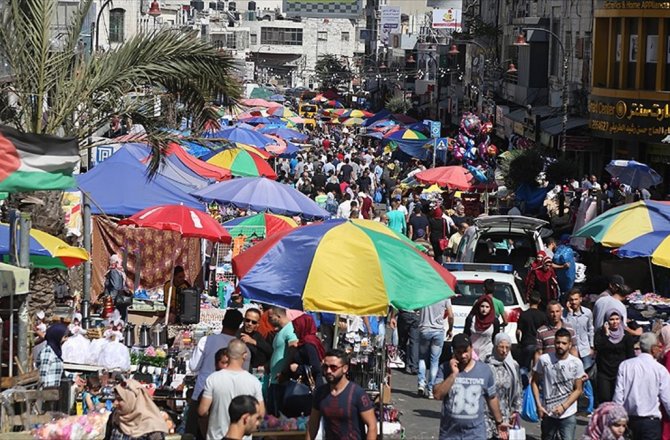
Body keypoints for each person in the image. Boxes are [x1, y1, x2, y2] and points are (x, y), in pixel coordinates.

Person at [433, 334, 509, 440]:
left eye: (466, 351)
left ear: (471, 349)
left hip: (475, 433)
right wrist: (453, 374)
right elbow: (437, 395)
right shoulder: (445, 368)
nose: (463, 355)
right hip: (450, 433)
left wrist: (499, 422)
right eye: (459, 352)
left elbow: (491, 397)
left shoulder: (484, 370)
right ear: (453, 352)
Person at [188, 310, 249, 439]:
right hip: (231, 397)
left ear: (222, 322)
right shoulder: (244, 349)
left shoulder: (206, 341)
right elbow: (245, 372)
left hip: (202, 392)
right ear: (239, 326)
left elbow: (193, 366)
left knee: (194, 433)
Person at [199, 340, 264, 440]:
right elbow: (261, 412)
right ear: (245, 355)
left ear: (228, 355)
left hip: (216, 436)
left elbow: (202, 410)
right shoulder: (254, 382)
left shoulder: (213, 379)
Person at [306, 349, 377, 440]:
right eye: (325, 367)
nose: (328, 371)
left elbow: (372, 426)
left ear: (345, 368)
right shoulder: (320, 393)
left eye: (333, 367)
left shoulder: (357, 393)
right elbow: (313, 424)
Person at [613, 332, 670, 440]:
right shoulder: (660, 370)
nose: (660, 349)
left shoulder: (625, 366)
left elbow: (618, 396)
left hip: (629, 421)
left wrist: (616, 420)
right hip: (651, 424)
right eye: (658, 346)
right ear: (653, 349)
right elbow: (667, 399)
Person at [532, 328, 585, 440]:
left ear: (569, 345)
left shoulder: (576, 363)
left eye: (564, 343)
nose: (560, 346)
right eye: (558, 342)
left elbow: (578, 389)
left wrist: (564, 406)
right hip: (548, 412)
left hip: (568, 413)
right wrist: (539, 405)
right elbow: (534, 382)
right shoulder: (544, 359)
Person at [593, 310, 635, 404]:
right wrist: (606, 334)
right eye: (611, 319)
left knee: (618, 399)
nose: (615, 322)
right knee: (605, 397)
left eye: (617, 319)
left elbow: (630, 355)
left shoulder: (626, 335)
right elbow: (598, 348)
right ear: (606, 321)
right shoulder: (600, 333)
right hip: (604, 371)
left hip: (620, 372)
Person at [485, 333, 522, 440]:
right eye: (501, 347)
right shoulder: (487, 365)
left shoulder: (513, 366)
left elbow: (518, 389)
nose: (504, 351)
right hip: (487, 415)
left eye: (507, 347)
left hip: (505, 414)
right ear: (495, 346)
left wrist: (516, 410)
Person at [104, 379, 168, 440]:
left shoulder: (152, 427)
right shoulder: (115, 416)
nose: (115, 403)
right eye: (115, 399)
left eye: (120, 399)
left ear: (132, 399)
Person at [417, 298, 452, 399]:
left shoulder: (424, 293)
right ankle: (431, 389)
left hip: (424, 329)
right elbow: (450, 315)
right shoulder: (445, 296)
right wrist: (450, 329)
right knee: (434, 360)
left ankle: (421, 383)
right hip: (438, 331)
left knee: (422, 358)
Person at [267, 306, 298, 416]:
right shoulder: (281, 331)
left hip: (281, 380)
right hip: (275, 379)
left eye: (271, 317)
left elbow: (294, 347)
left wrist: (284, 372)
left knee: (278, 415)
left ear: (278, 316)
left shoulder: (289, 329)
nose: (269, 320)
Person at [563, 288, 595, 371]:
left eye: (576, 299)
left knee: (587, 371)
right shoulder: (564, 314)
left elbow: (590, 329)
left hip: (585, 349)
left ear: (580, 299)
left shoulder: (587, 312)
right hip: (571, 350)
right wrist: (569, 314)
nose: (573, 302)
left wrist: (591, 346)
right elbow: (565, 329)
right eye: (571, 300)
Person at [516, 291, 547, 371]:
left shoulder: (523, 314)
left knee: (524, 368)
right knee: (538, 369)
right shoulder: (543, 315)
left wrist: (519, 342)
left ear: (529, 300)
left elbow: (518, 332)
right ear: (539, 301)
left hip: (527, 343)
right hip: (539, 345)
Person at [463, 295, 500, 360]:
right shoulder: (471, 319)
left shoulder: (495, 321)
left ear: (491, 308)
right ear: (478, 307)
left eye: (487, 307)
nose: (484, 309)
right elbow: (465, 335)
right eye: (482, 306)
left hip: (488, 353)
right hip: (472, 353)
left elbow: (496, 338)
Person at [103, 254, 130, 319]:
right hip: (118, 299)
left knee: (115, 319)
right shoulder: (117, 271)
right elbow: (118, 286)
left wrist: (111, 300)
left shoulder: (115, 271)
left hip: (116, 300)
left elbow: (117, 286)